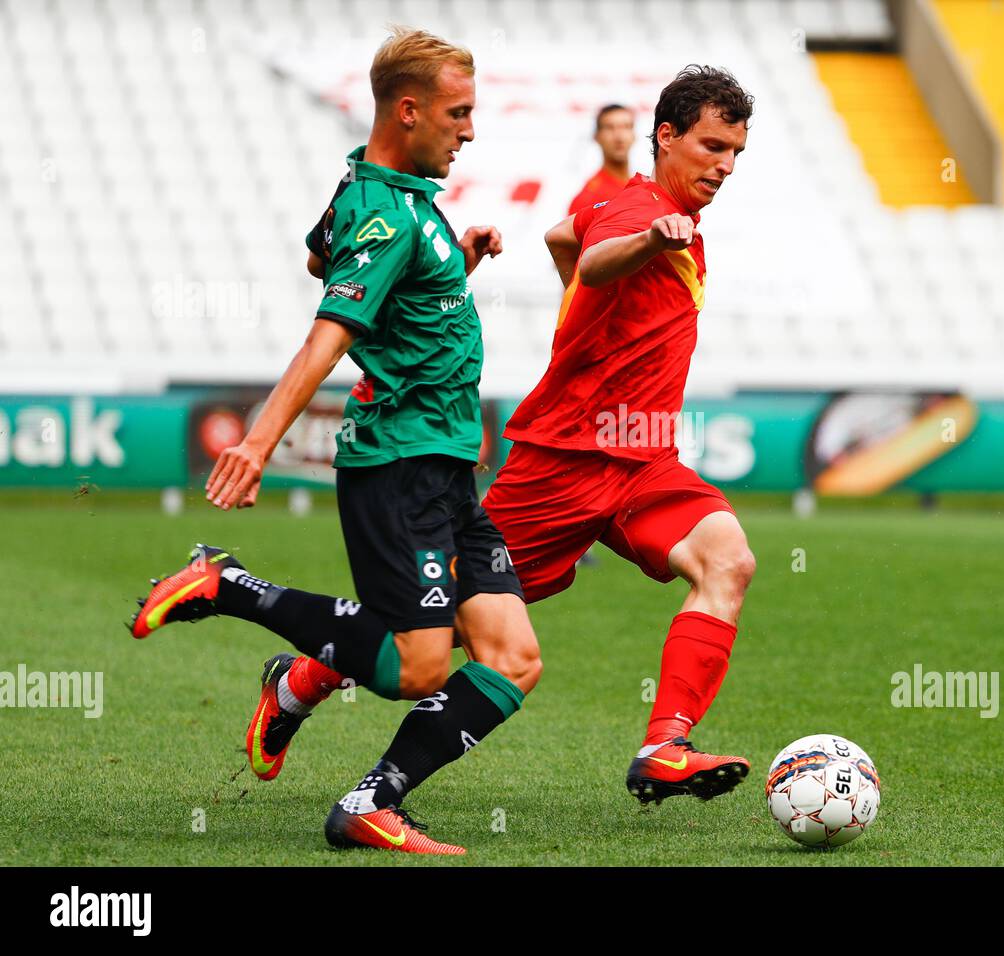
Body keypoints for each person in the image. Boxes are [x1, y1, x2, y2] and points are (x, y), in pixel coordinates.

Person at [128, 27, 541, 855]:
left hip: (447, 462)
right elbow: (331, 328)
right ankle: (229, 586)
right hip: (401, 463)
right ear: (410, 110)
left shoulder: (377, 191)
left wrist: (451, 262)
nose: (470, 130)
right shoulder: (388, 215)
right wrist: (256, 442)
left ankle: (370, 802)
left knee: (512, 655)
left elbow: (325, 255)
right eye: (458, 114)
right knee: (417, 668)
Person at [485, 65, 756, 805]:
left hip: (642, 459)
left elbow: (559, 235)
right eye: (710, 147)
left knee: (728, 562)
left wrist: (579, 309)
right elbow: (599, 256)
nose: (724, 166)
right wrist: (642, 243)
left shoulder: (668, 220)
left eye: (735, 152)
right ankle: (301, 678)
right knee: (436, 629)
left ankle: (666, 744)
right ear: (664, 137)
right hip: (562, 460)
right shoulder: (635, 209)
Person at [567, 103, 636, 215]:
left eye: (626, 127)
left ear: (634, 135)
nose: (619, 137)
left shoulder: (644, 187)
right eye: (609, 128)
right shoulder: (587, 199)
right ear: (597, 137)